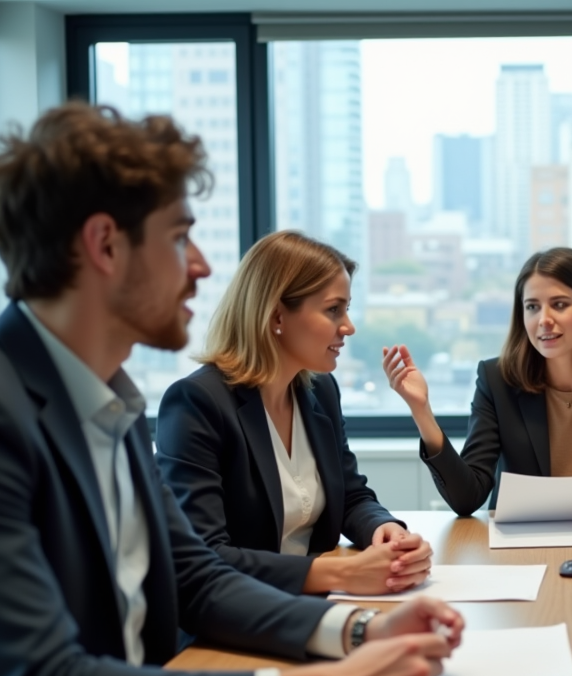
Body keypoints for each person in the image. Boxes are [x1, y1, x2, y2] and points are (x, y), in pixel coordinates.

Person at [0, 103, 463, 676]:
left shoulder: (110, 401)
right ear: (105, 245)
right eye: (180, 237)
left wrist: (363, 630)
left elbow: (198, 580)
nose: (202, 265)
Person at [156, 231, 432, 596]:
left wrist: (385, 530)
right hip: (236, 618)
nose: (348, 326)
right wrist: (339, 573)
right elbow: (204, 555)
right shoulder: (197, 403)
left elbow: (350, 495)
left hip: (311, 602)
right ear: (276, 316)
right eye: (334, 309)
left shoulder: (320, 391)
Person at [382, 247, 572, 523]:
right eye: (532, 307)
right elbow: (466, 498)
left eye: (559, 305)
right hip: (519, 544)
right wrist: (421, 411)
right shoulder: (496, 380)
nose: (543, 320)